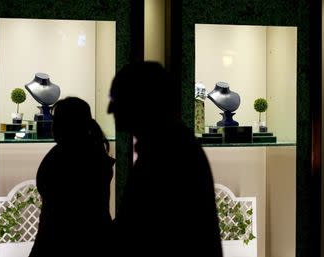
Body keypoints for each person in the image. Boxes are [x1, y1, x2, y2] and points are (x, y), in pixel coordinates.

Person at [108, 61, 223, 255]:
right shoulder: (172, 146)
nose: (110, 110)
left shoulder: (168, 155)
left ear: (143, 101)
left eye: (117, 98)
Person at [29, 97, 115, 256]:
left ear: (69, 125)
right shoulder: (93, 153)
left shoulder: (66, 157)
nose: (52, 126)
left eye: (57, 121)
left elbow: (63, 215)